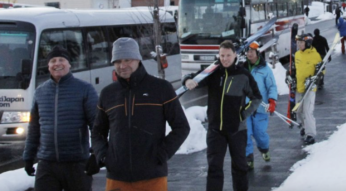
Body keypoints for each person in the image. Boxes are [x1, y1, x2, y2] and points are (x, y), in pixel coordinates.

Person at [92, 38, 190, 191]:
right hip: (117, 177)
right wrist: (103, 155)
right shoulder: (108, 94)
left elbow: (181, 127)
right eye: (117, 61)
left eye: (127, 60)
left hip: (152, 177)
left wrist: (162, 154)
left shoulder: (161, 88)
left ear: (137, 59)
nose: (122, 66)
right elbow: (97, 132)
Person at [184, 40, 262, 191]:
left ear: (235, 55)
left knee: (240, 167)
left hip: (237, 130)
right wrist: (187, 80)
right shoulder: (212, 72)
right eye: (222, 55)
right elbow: (194, 77)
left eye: (228, 55)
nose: (225, 59)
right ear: (218, 55)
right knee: (214, 168)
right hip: (215, 130)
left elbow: (257, 97)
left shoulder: (243, 75)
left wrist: (242, 113)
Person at [23, 45, 98, 191]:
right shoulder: (41, 91)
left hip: (76, 163)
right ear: (48, 65)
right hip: (47, 163)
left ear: (69, 64)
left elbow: (96, 124)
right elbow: (34, 128)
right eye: (53, 61)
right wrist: (28, 156)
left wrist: (96, 154)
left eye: (62, 59)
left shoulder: (84, 89)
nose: (57, 64)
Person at [240, 41, 277, 170]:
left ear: (258, 52)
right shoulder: (242, 69)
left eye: (252, 51)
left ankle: (264, 148)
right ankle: (248, 158)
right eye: (248, 51)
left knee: (259, 133)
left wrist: (272, 101)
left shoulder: (265, 69)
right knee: (246, 134)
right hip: (246, 109)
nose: (249, 53)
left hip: (261, 108)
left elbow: (271, 86)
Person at [294, 34, 322, 145]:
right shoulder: (297, 54)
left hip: (310, 88)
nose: (299, 45)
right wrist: (289, 77)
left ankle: (310, 134)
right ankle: (305, 127)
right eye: (298, 43)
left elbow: (321, 72)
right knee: (299, 111)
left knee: (308, 111)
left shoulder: (315, 55)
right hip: (299, 88)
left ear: (308, 43)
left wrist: (316, 77)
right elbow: (293, 70)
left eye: (301, 42)